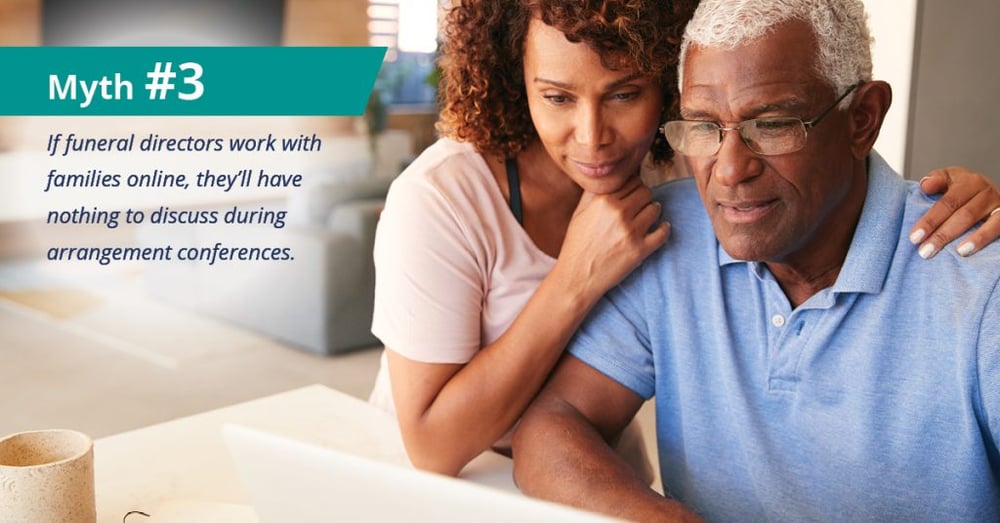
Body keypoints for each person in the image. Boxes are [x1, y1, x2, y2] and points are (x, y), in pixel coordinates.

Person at [369, 0, 1000, 479]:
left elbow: (828, 162)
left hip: (591, 478)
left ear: (668, 88)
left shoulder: (686, 163)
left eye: (625, 95)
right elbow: (434, 444)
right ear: (517, 82)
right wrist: (575, 278)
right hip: (447, 478)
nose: (593, 138)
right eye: (557, 97)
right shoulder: (444, 196)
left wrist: (959, 192)